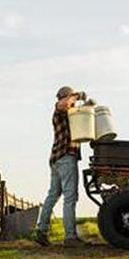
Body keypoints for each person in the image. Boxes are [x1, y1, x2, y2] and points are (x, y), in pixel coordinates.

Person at [34, 86, 88, 247]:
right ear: (65, 97)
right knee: (70, 197)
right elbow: (64, 104)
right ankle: (70, 237)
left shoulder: (69, 114)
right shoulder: (60, 108)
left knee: (53, 195)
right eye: (69, 97)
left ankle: (41, 231)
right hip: (65, 157)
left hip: (57, 158)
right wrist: (77, 95)